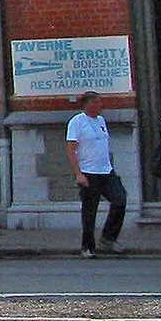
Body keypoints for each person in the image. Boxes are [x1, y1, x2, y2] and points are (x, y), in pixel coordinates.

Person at [67, 90, 126, 257]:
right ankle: (87, 246)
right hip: (88, 172)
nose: (101, 106)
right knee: (90, 210)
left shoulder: (101, 120)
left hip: (106, 171)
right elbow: (71, 149)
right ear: (89, 104)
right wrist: (78, 173)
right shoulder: (77, 122)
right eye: (98, 103)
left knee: (120, 199)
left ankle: (108, 238)